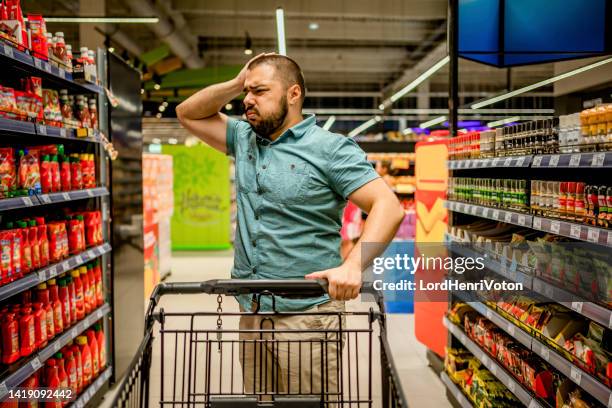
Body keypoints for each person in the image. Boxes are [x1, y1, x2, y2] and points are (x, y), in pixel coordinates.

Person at [176, 53, 404, 402]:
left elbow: (388, 206)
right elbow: (187, 112)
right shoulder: (244, 138)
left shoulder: (330, 149)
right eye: (246, 93)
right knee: (260, 403)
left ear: (293, 94)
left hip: (307, 314)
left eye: (260, 91)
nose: (248, 100)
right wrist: (239, 82)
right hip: (252, 310)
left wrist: (353, 265)